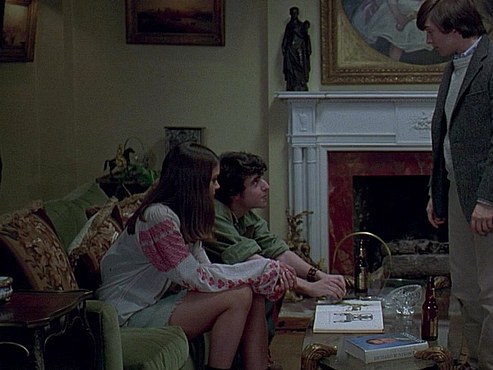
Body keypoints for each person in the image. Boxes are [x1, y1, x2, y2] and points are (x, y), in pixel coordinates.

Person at [97, 143, 290, 370]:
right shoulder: (157, 217)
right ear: (194, 183)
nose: (218, 187)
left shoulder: (184, 215)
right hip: (128, 314)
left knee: (251, 291)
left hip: (155, 302)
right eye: (213, 180)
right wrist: (259, 269)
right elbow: (195, 277)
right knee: (238, 296)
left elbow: (205, 269)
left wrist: (260, 271)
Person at [417, 0, 493, 370]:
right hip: (457, 195)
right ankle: (477, 361)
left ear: (454, 28)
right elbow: (447, 136)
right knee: (466, 290)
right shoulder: (453, 67)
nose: (427, 40)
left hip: (490, 203)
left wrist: (488, 199)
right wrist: (436, 192)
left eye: (431, 31)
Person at [206, 151, 346, 303]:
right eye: (255, 182)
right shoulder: (214, 215)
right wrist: (310, 288)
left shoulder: (246, 215)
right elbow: (253, 262)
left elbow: (278, 251)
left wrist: (320, 276)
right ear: (234, 193)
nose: (266, 186)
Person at [281, 6, 311, 91]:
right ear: (290, 14)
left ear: (297, 14)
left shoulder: (301, 25)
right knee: (291, 68)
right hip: (290, 49)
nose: (294, 15)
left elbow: (305, 37)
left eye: (295, 13)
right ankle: (292, 83)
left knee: (301, 65)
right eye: (292, 13)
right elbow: (286, 37)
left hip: (299, 48)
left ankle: (301, 82)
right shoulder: (289, 25)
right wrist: (284, 46)